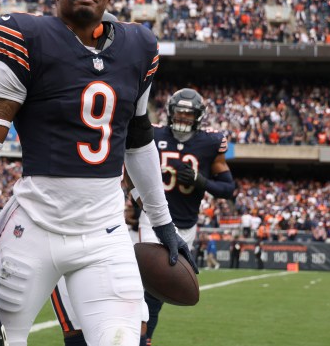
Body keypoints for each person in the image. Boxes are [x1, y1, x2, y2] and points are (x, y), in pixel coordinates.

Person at [0, 0, 187, 346]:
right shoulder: (28, 37)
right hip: (34, 226)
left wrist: (163, 223)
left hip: (104, 229)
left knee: (122, 340)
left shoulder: (138, 46)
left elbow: (138, 140)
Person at [53, 87, 235, 346]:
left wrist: (201, 181)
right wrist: (138, 201)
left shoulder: (210, 142)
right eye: (179, 114)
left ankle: (143, 337)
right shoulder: (154, 134)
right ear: (171, 114)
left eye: (188, 115)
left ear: (198, 117)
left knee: (160, 288)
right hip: (154, 218)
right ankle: (142, 338)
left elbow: (228, 189)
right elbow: (131, 168)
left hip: (188, 224)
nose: (183, 119)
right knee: (147, 281)